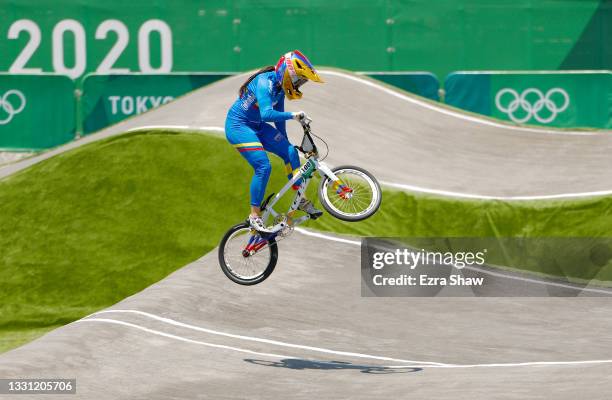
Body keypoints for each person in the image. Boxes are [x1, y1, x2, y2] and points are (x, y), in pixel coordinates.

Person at [225, 50, 324, 232]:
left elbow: (278, 120)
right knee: (264, 166)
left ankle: (300, 199)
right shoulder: (264, 82)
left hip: (258, 126)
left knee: (290, 152)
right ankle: (254, 216)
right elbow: (267, 114)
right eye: (299, 80)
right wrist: (294, 115)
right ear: (287, 74)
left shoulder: (279, 88)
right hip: (239, 126)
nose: (300, 85)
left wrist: (285, 144)